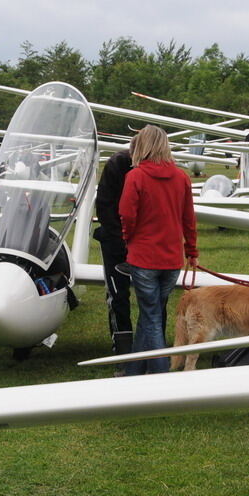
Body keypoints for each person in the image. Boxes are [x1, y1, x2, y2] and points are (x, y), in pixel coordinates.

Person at [119, 125, 198, 375]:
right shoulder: (182, 177)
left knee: (151, 317)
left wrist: (127, 238)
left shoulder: (135, 177)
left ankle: (160, 375)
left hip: (144, 258)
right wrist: (192, 250)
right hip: (171, 259)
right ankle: (134, 371)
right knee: (150, 314)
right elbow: (189, 219)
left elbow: (126, 215)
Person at [92, 148, 134, 367]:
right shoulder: (118, 165)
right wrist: (122, 241)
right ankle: (123, 352)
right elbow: (105, 207)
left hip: (146, 244)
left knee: (152, 297)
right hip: (116, 241)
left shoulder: (158, 168)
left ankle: (151, 351)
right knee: (118, 294)